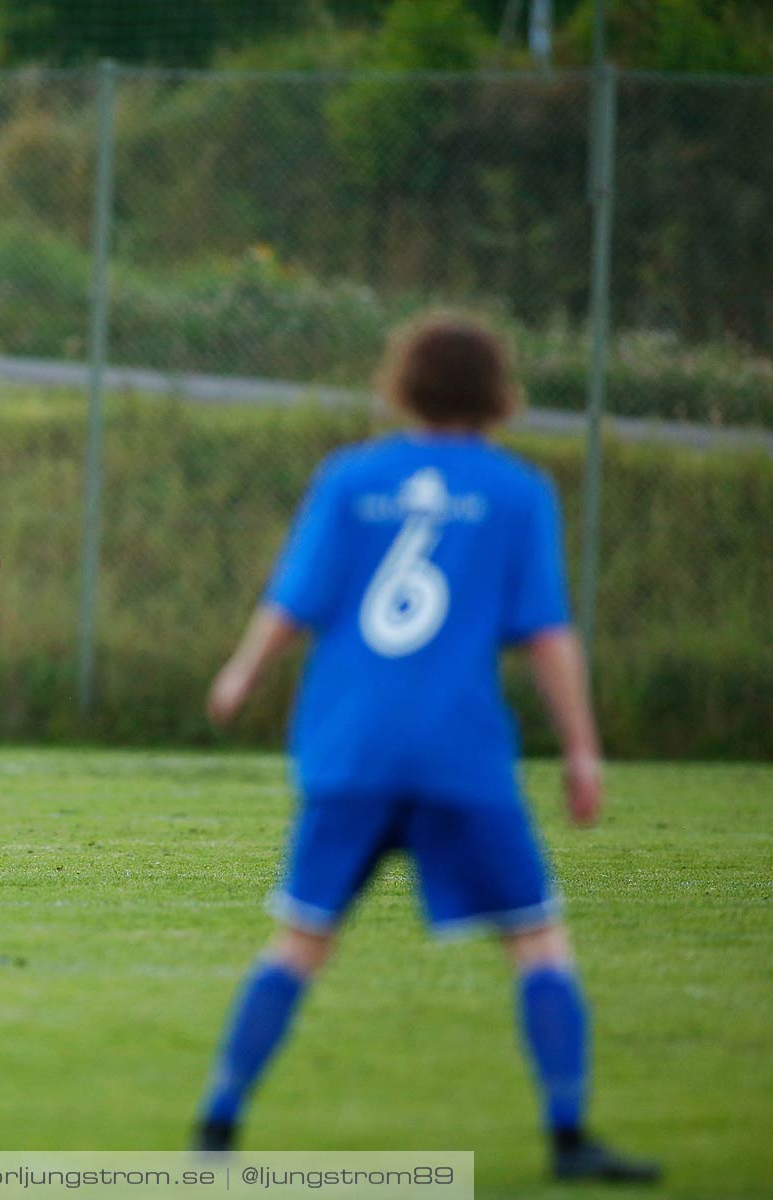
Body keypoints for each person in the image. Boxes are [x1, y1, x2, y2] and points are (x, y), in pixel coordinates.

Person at [193, 315, 659, 1184]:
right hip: (460, 754)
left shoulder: (351, 478)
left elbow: (293, 603)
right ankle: (569, 1136)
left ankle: (217, 1124)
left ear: (401, 383)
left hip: (351, 746)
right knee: (538, 942)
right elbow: (548, 636)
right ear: (498, 392)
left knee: (299, 941)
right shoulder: (518, 492)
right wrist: (583, 751)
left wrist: (240, 673)